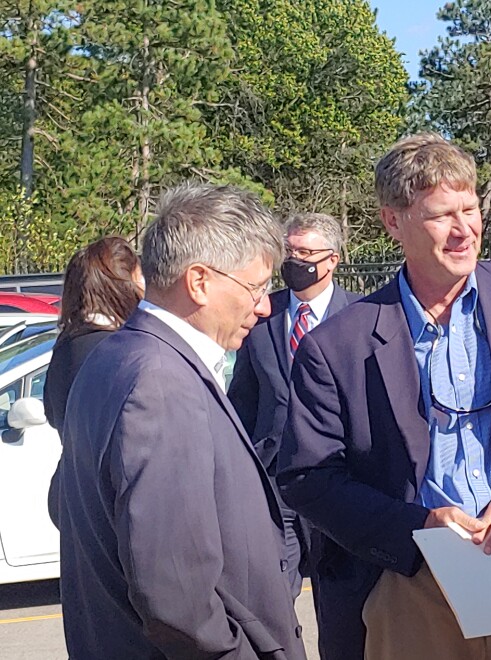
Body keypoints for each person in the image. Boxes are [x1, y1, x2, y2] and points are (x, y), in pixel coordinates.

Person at [276, 133, 491, 660]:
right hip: (410, 583)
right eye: (442, 215)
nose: (464, 229)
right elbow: (308, 477)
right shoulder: (337, 343)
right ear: (393, 222)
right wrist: (420, 525)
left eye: (470, 209)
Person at [57, 183, 307, 660]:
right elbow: (175, 593)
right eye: (255, 287)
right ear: (198, 282)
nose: (265, 306)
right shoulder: (159, 382)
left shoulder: (115, 357)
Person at [228, 211, 360, 599]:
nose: (294, 261)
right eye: (289, 250)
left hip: (338, 478)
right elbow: (243, 398)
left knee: (338, 599)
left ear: (332, 259)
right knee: (274, 595)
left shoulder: (359, 316)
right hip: (276, 479)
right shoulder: (263, 315)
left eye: (305, 252)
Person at [44, 236, 144, 528]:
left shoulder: (66, 346)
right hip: (111, 504)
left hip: (72, 495)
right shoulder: (119, 350)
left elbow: (52, 414)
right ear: (124, 286)